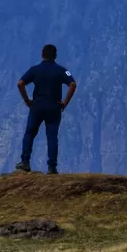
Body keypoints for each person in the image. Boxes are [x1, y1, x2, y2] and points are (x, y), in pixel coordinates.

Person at [16, 44, 77, 174]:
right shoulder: (62, 70)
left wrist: (27, 100)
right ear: (55, 56)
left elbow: (20, 83)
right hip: (54, 108)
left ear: (42, 55)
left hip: (37, 107)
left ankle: (25, 161)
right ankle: (52, 167)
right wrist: (65, 102)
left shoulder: (34, 69)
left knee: (30, 133)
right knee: (52, 136)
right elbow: (72, 84)